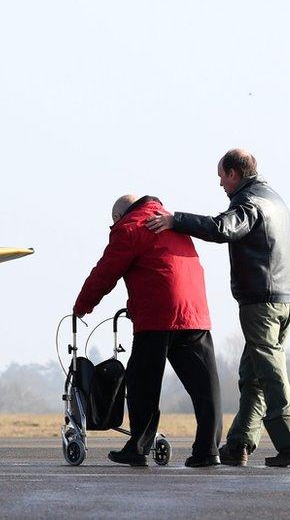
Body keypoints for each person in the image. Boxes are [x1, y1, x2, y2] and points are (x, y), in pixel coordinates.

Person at [147, 149, 290, 467]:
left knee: (270, 372)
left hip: (260, 302)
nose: (220, 183)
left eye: (222, 175)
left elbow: (223, 228)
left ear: (235, 173)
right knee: (253, 375)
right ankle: (239, 444)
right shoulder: (274, 198)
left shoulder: (249, 203)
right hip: (281, 299)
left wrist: (174, 221)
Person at [75, 194, 222, 467]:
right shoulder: (171, 222)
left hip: (157, 315)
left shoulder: (130, 227)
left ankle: (138, 446)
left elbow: (105, 273)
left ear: (118, 217)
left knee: (143, 381)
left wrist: (83, 305)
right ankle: (208, 450)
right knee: (204, 385)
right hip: (195, 313)